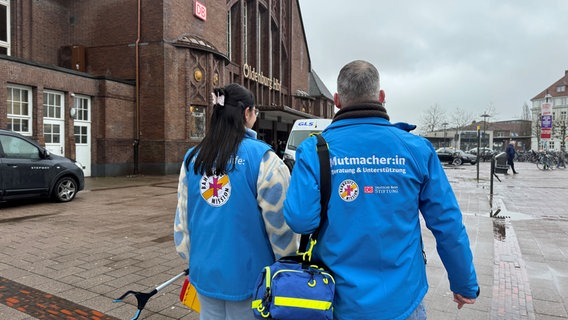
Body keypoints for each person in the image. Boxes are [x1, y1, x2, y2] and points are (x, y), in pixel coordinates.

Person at [283, 60, 479, 320]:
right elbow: (447, 223)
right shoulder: (416, 149)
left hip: (338, 300)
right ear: (382, 97)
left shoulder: (314, 150)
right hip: (402, 300)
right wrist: (463, 282)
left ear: (337, 101)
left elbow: (300, 220)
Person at [173, 83, 298, 320]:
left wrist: (193, 259)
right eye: (256, 112)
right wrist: (286, 266)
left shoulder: (192, 158)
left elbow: (182, 220)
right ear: (247, 113)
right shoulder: (264, 159)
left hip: (205, 275)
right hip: (252, 279)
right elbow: (281, 226)